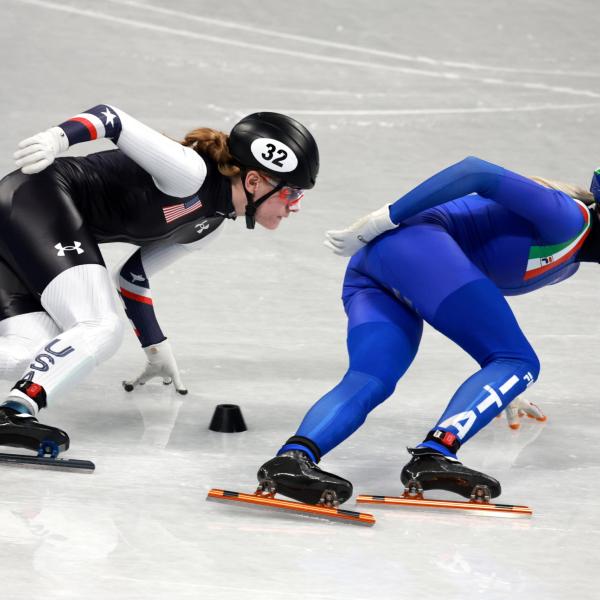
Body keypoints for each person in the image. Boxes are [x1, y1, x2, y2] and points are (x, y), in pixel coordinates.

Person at [257, 156, 596, 506]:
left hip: (376, 267)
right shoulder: (569, 218)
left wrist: (495, 390)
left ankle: (293, 459)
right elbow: (476, 171)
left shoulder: (568, 264)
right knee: (518, 361)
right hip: (413, 245)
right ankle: (436, 454)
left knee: (370, 378)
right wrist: (383, 218)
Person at [0, 104, 319, 456]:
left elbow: (134, 277)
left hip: (24, 217)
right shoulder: (190, 173)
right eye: (291, 193)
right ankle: (16, 411)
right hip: (36, 199)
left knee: (27, 355)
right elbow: (112, 119)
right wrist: (58, 138)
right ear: (255, 180)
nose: (296, 206)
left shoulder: (207, 226)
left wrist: (155, 348)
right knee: (100, 325)